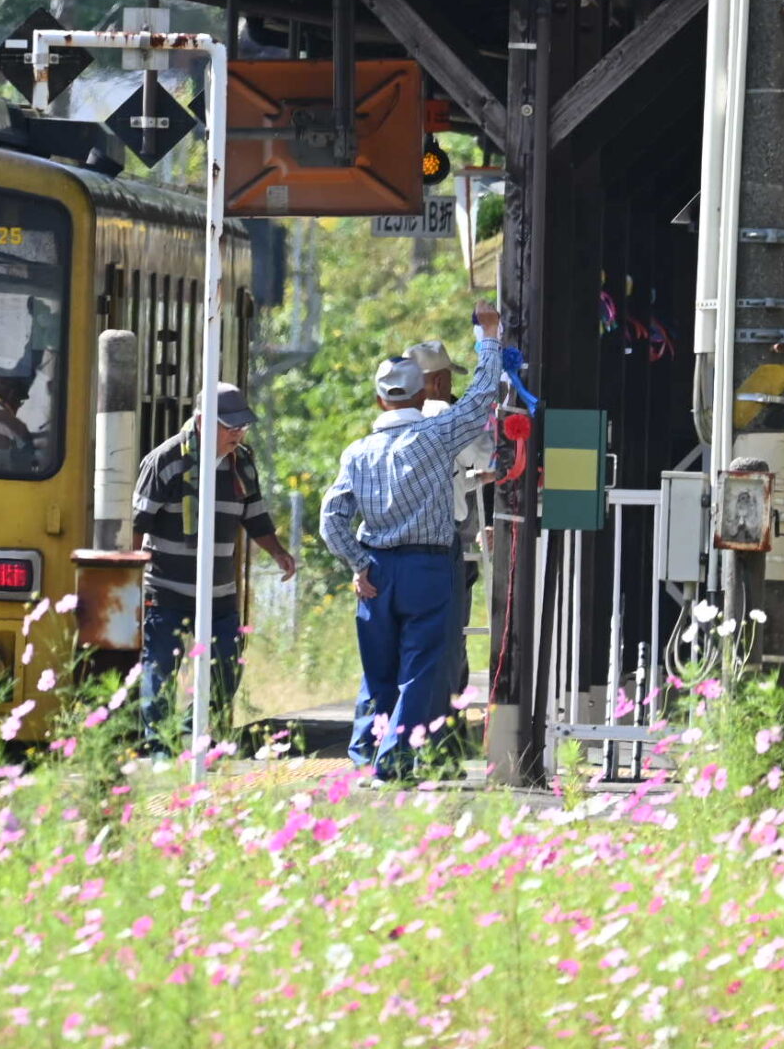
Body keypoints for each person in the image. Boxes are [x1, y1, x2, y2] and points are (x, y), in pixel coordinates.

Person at [321, 302, 506, 780]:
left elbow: (331, 518)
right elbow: (481, 397)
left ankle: (367, 754)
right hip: (429, 568)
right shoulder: (436, 435)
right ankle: (394, 761)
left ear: (379, 400)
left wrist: (357, 563)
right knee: (422, 670)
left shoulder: (356, 453)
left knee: (379, 670)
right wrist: (489, 337)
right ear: (423, 392)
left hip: (375, 570)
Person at [131, 383, 298, 748]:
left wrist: (278, 552)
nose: (238, 433)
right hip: (166, 589)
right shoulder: (166, 460)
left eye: (242, 426)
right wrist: (131, 583)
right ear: (203, 421)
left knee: (226, 667)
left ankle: (191, 730)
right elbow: (136, 524)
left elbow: (255, 516)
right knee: (160, 670)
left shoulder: (242, 463)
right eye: (229, 426)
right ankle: (159, 748)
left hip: (220, 592)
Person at [407, 337, 496, 708]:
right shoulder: (448, 415)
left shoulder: (391, 425)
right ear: (440, 382)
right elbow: (489, 457)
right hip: (446, 539)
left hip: (397, 541)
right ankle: (446, 708)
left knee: (408, 630)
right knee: (450, 626)